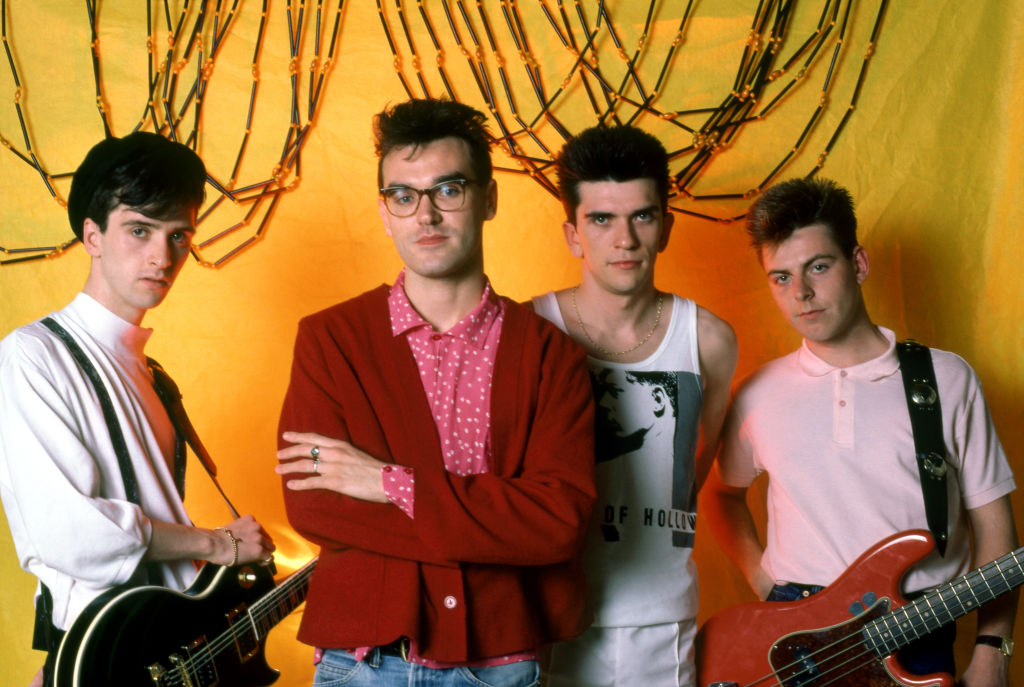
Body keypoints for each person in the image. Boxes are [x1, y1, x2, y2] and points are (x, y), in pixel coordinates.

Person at [275, 98, 596, 687]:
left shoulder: (552, 355)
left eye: (448, 190)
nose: (426, 215)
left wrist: (386, 483)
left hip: (497, 666)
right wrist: (491, 524)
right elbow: (315, 507)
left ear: (489, 199)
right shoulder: (331, 340)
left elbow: (558, 522)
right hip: (363, 663)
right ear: (385, 212)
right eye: (404, 196)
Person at [705, 177, 1018, 686]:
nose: (801, 293)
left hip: (917, 631)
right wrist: (763, 579)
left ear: (859, 264)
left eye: (818, 267)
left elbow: (994, 524)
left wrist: (993, 649)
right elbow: (722, 494)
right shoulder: (757, 393)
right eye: (781, 277)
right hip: (796, 642)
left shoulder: (946, 379)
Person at [0, 131, 275, 687]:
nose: (161, 257)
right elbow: (69, 535)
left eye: (179, 236)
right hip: (104, 654)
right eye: (140, 230)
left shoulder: (151, 374)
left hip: (175, 646)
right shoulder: (32, 355)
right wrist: (217, 543)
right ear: (92, 235)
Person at [531, 125, 737, 687]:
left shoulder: (710, 340)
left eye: (641, 216)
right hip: (549, 614)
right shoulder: (529, 330)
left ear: (665, 227)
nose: (624, 239)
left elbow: (690, 474)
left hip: (662, 619)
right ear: (573, 234)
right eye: (601, 219)